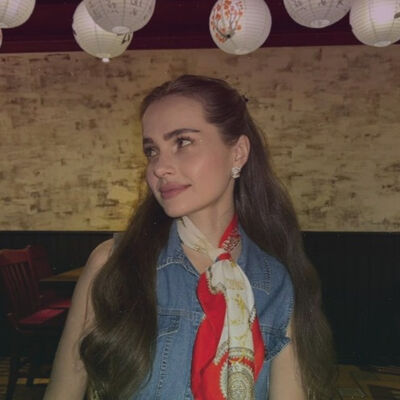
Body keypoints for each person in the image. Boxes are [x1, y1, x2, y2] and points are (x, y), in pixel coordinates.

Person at [43, 75, 335, 400]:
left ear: (238, 153)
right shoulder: (113, 262)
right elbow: (63, 390)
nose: (159, 167)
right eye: (152, 150)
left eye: (182, 142)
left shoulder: (275, 281)